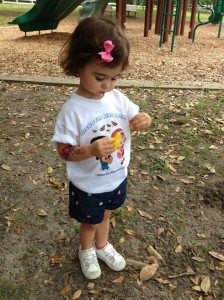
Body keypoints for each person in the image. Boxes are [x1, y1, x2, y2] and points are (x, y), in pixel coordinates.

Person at [51, 16, 152, 280]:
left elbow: (137, 115)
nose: (107, 86)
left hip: (116, 176)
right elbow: (63, 151)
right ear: (78, 65)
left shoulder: (116, 98)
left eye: (114, 78)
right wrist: (91, 151)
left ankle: (102, 245)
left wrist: (144, 120)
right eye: (100, 77)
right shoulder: (72, 111)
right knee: (89, 222)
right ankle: (87, 249)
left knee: (106, 214)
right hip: (88, 184)